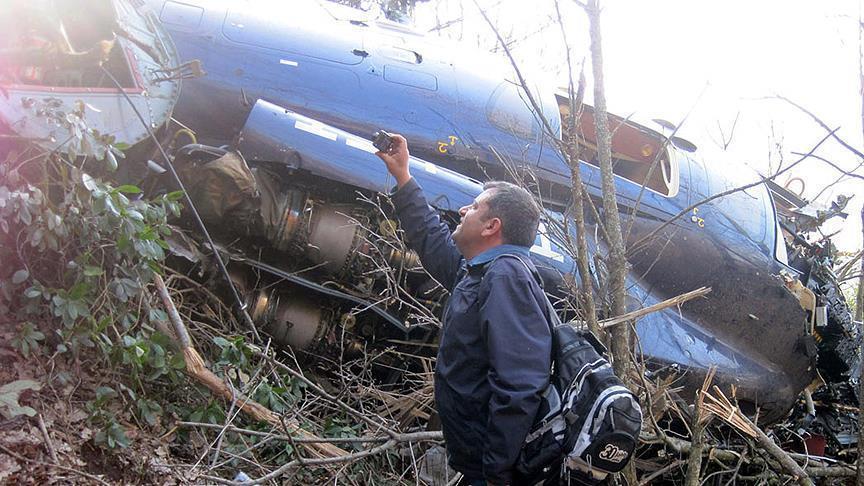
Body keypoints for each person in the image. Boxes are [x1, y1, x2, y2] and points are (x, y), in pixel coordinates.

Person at [376, 134, 553, 485]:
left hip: (487, 474)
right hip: (473, 463)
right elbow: (434, 242)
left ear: (492, 227)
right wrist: (403, 177)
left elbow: (520, 385)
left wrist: (494, 472)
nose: (462, 210)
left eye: (473, 207)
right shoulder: (482, 271)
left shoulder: (507, 277)